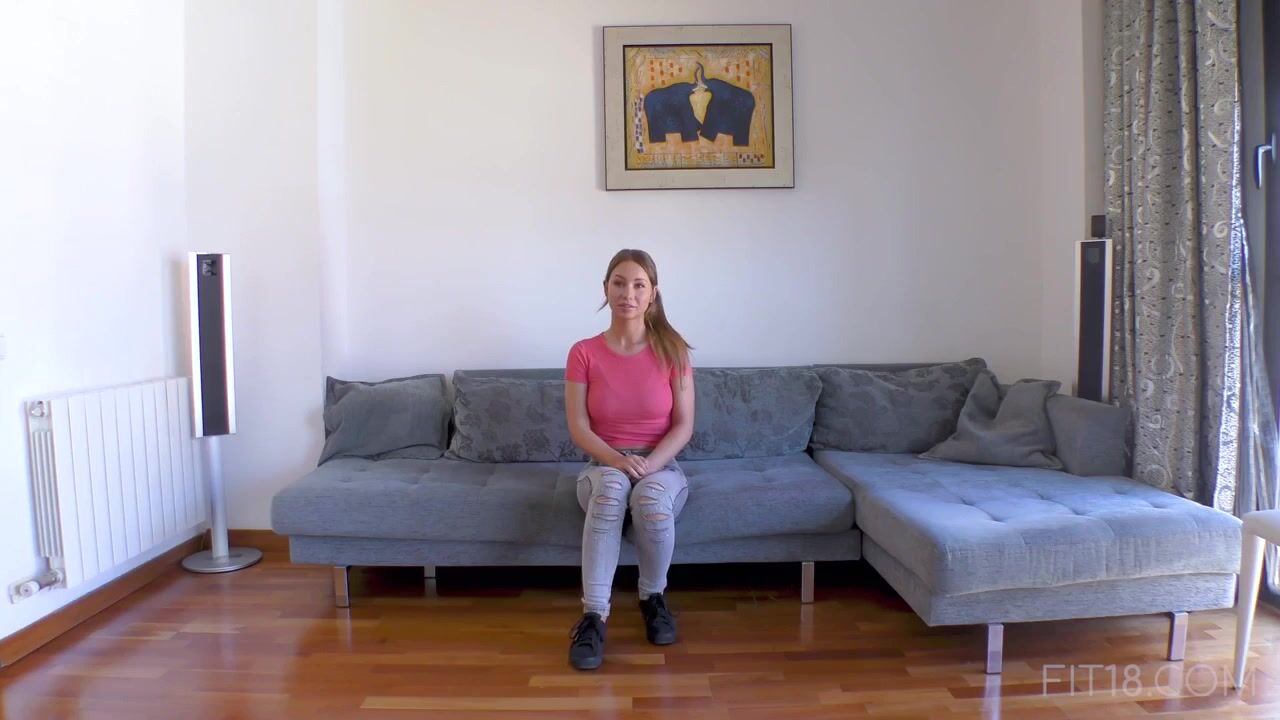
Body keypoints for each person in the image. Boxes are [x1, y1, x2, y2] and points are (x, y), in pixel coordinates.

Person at [563, 249, 695, 671]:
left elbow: (684, 426)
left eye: (639, 285)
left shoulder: (674, 352)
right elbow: (579, 427)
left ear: (653, 293)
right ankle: (593, 617)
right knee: (612, 487)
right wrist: (618, 461)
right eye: (619, 283)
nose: (628, 293)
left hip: (662, 466)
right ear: (605, 288)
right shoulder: (583, 352)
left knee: (650, 500)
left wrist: (650, 465)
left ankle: (653, 598)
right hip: (602, 466)